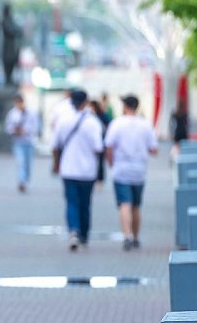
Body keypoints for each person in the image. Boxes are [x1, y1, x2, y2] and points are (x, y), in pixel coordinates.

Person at [51, 90, 105, 251]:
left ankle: (73, 230)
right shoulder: (92, 122)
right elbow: (98, 148)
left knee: (71, 202)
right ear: (85, 102)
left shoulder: (63, 120)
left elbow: (55, 146)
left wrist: (56, 164)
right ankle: (84, 235)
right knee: (85, 203)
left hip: (68, 169)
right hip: (87, 170)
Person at [104, 94, 158, 250]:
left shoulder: (117, 124)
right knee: (136, 205)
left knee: (124, 204)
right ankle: (135, 236)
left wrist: (111, 164)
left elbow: (108, 146)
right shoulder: (145, 125)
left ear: (125, 106)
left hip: (121, 169)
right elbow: (154, 149)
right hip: (139, 170)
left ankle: (126, 235)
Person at [4, 94, 39, 193]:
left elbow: (36, 127)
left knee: (28, 164)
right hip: (18, 142)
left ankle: (25, 179)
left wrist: (25, 130)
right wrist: (14, 131)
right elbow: (8, 127)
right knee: (21, 162)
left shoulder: (31, 113)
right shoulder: (12, 113)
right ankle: (22, 181)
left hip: (29, 141)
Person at [90, 100, 112, 185]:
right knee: (96, 160)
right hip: (98, 140)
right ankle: (95, 177)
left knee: (100, 161)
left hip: (102, 139)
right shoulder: (91, 116)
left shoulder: (100, 116)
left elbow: (108, 125)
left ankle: (100, 178)